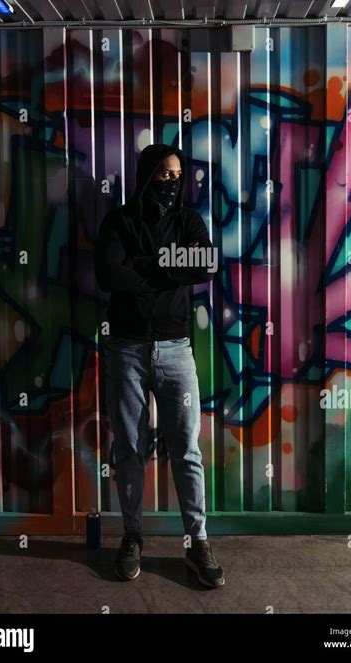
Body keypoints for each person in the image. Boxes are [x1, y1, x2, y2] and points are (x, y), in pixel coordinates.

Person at [94, 143, 225, 589]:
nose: (170, 183)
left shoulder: (189, 220)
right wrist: (171, 267)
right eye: (162, 175)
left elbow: (205, 264)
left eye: (176, 175)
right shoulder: (120, 221)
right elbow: (110, 276)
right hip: (126, 351)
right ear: (146, 176)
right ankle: (133, 535)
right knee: (128, 449)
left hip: (175, 349)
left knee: (187, 450)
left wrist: (143, 268)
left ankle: (198, 542)